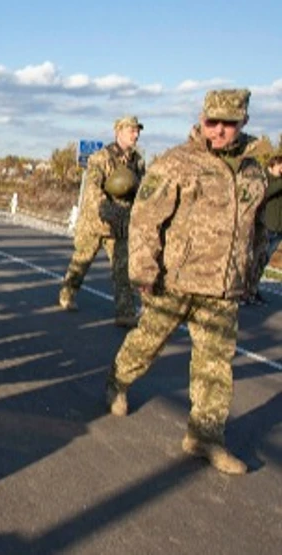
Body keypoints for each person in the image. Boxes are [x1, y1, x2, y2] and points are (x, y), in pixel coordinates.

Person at [106, 89, 265, 476]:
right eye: (213, 122)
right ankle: (118, 381)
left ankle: (205, 436)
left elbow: (256, 231)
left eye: (229, 124)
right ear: (201, 118)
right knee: (147, 342)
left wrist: (250, 275)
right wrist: (144, 270)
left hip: (222, 289)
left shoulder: (251, 170)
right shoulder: (177, 163)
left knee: (215, 365)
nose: (220, 131)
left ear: (242, 122)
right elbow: (145, 218)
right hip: (173, 281)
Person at [58, 115, 146, 327]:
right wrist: (107, 210)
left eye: (137, 131)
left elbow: (142, 191)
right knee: (82, 260)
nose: (136, 135)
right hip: (96, 221)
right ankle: (67, 293)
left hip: (121, 225)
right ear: (119, 132)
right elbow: (93, 189)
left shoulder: (137, 162)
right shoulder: (101, 158)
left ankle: (125, 312)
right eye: (132, 130)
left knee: (123, 269)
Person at [243, 150, 282, 304]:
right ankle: (246, 290)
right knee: (256, 260)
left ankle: (253, 289)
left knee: (263, 261)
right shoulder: (266, 179)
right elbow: (266, 193)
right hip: (266, 227)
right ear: (273, 165)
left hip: (278, 228)